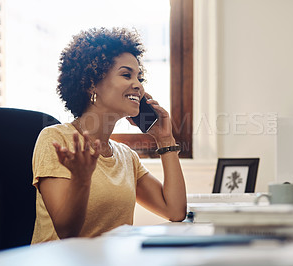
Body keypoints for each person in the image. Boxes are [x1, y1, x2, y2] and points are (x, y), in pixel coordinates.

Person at [30, 27, 187, 243]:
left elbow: (175, 211)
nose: (138, 86)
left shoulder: (126, 157)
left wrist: (165, 139)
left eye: (139, 77)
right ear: (91, 84)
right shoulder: (55, 140)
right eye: (126, 75)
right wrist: (82, 180)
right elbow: (67, 232)